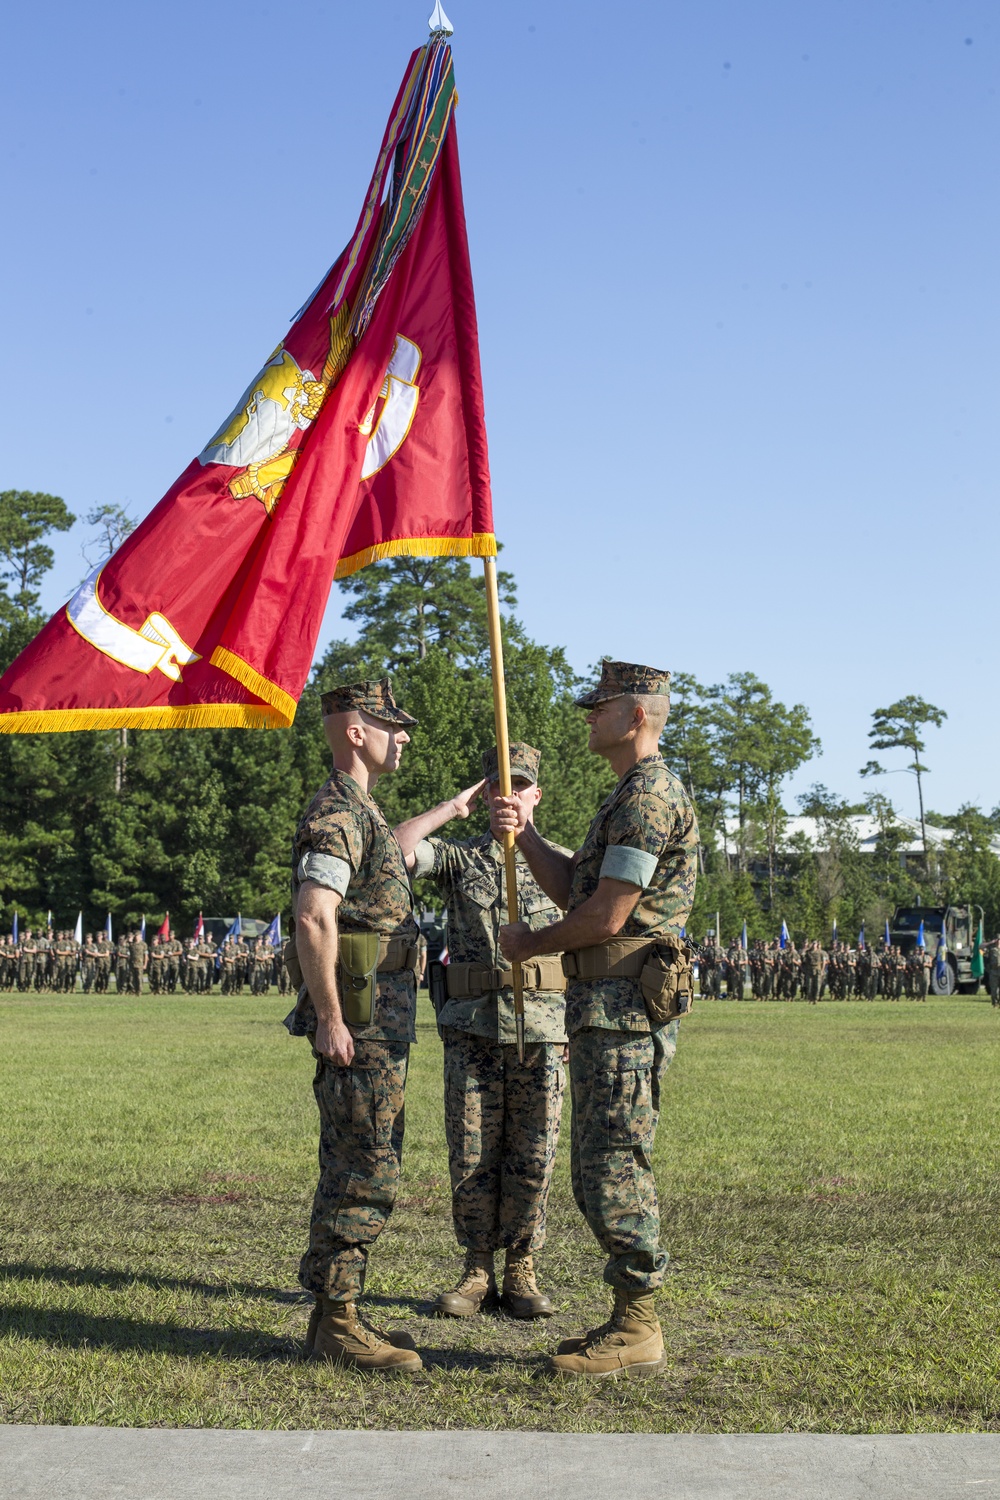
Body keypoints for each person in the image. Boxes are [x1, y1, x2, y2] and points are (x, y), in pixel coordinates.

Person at [496, 660, 698, 1379]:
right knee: (599, 1167)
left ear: (636, 715)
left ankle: (639, 1325)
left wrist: (532, 943)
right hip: (602, 1009)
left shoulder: (648, 798)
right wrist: (526, 835)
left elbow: (608, 915)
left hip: (622, 1014)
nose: (588, 716)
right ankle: (627, 1317)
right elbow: (576, 883)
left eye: (600, 707)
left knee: (613, 1167)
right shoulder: (626, 796)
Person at [394, 742, 568, 1322]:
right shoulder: (460, 860)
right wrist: (451, 808)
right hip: (473, 1030)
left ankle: (522, 1266)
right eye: (498, 786)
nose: (508, 797)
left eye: (519, 787)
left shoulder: (561, 864)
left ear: (535, 796)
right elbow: (398, 849)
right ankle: (475, 1268)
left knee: (534, 1153)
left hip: (543, 1030)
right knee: (471, 1150)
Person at [285, 677, 423, 1374]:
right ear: (354, 732)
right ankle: (336, 1322)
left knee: (363, 1158)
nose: (402, 736)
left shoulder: (363, 811)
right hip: (359, 1027)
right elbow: (315, 913)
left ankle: (336, 1312)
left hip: (379, 1022)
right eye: (388, 724)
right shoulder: (339, 811)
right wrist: (332, 1019)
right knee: (362, 1165)